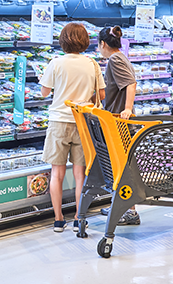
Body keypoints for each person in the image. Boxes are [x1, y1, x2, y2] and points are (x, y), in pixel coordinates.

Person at [39, 22, 105, 233]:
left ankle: (59, 220)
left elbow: (44, 92)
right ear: (85, 41)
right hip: (82, 122)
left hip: (59, 121)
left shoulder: (56, 63)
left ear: (63, 41)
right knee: (80, 175)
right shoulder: (92, 64)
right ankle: (79, 218)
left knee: (57, 173)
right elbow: (101, 95)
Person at [96, 26, 140, 225]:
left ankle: (130, 211)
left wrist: (127, 108)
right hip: (119, 122)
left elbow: (130, 83)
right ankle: (120, 205)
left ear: (103, 44)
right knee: (120, 167)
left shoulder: (115, 59)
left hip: (121, 124)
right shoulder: (120, 57)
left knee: (122, 168)